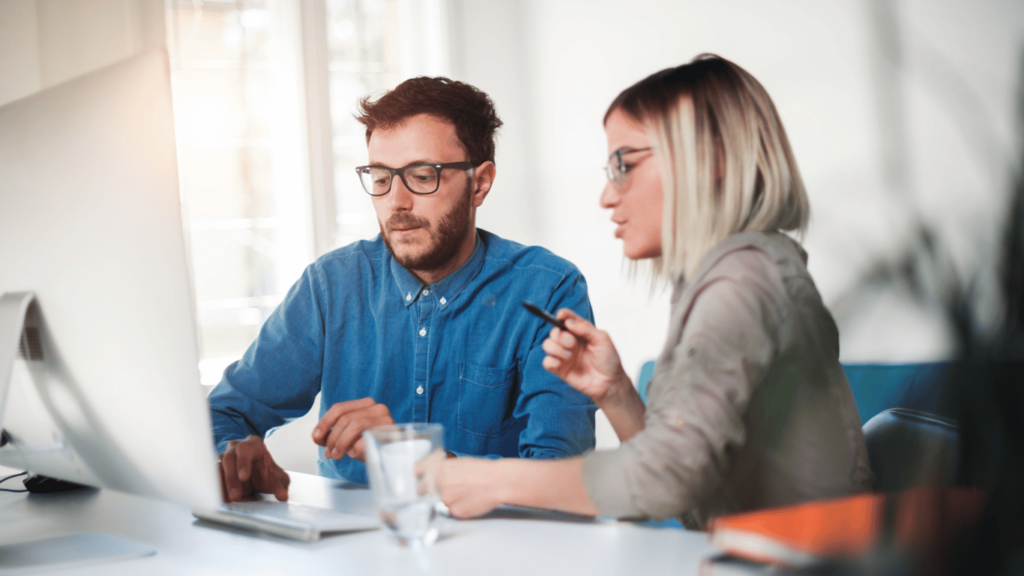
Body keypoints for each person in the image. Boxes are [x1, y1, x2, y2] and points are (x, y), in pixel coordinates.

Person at [435, 55, 874, 528]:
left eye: (624, 164)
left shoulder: (743, 283)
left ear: (714, 158)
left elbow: (664, 480)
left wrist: (491, 480)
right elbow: (691, 484)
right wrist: (616, 391)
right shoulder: (732, 274)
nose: (607, 195)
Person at [209, 77, 597, 503]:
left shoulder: (548, 290)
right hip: (352, 556)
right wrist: (232, 455)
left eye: (422, 176)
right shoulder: (331, 286)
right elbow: (225, 412)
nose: (396, 202)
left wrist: (412, 455)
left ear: (480, 183)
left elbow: (565, 483)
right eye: (380, 177)